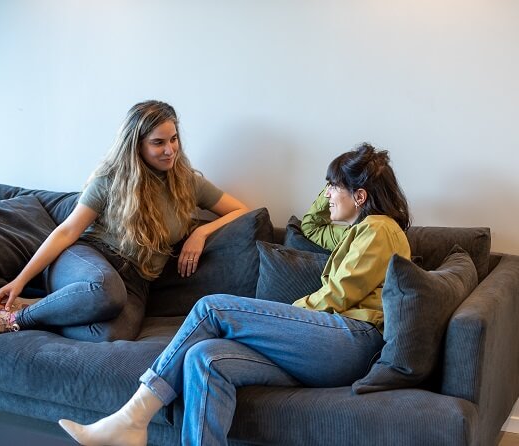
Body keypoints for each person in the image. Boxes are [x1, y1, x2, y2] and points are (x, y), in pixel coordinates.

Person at [58, 143, 412, 446]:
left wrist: (281, 317)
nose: (329, 194)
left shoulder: (379, 229)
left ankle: (133, 417)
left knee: (212, 308)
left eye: (334, 187)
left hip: (352, 342)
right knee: (206, 358)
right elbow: (312, 225)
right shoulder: (355, 231)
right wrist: (338, 183)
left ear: (361, 196)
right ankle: (134, 423)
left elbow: (336, 295)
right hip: (323, 348)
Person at [0, 100, 249, 342]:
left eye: (174, 139)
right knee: (105, 289)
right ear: (137, 145)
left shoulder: (187, 183)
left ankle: (39, 306)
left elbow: (241, 210)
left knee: (110, 334)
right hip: (87, 258)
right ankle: (11, 319)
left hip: (135, 279)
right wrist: (19, 280)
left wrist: (200, 233)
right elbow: (66, 231)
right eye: (158, 142)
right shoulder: (109, 181)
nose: (170, 150)